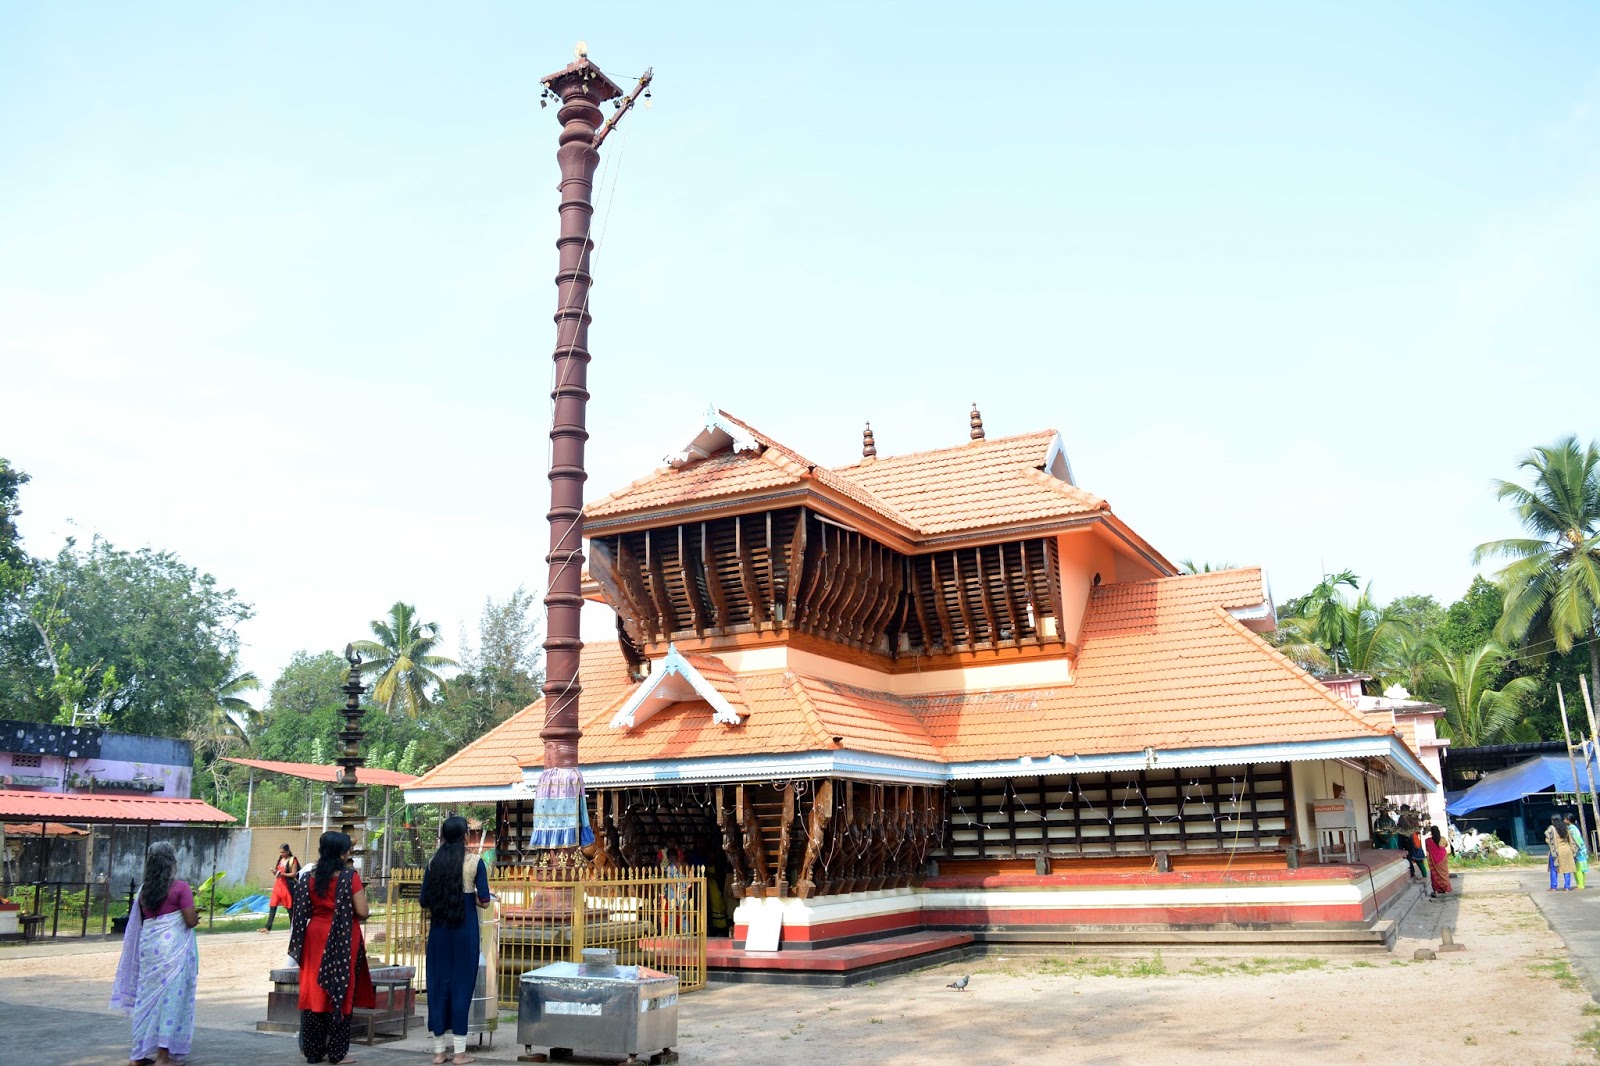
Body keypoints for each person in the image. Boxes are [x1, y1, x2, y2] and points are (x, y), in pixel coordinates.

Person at [109, 841, 200, 1066]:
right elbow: (189, 921)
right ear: (172, 863)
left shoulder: (143, 891)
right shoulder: (180, 888)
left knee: (146, 1000)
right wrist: (195, 915)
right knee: (170, 1000)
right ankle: (163, 1057)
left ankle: (137, 1056)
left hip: (149, 951)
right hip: (173, 955)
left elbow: (143, 922)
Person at [288, 831, 374, 1065]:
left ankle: (314, 1051)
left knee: (315, 991)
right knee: (341, 989)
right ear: (342, 853)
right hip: (344, 936)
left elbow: (301, 912)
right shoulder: (349, 877)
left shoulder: (309, 877)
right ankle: (337, 1053)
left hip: (315, 936)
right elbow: (363, 911)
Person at [422, 815, 492, 1066]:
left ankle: (439, 1052)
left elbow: (424, 900)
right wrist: (470, 896)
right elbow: (484, 900)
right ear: (464, 836)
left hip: (439, 933)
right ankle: (460, 1053)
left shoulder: (433, 862)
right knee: (462, 987)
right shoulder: (475, 862)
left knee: (438, 985)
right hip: (465, 932)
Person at [262, 843, 301, 933]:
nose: (281, 854)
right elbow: (278, 873)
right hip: (278, 885)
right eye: (280, 852)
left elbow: (294, 874)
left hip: (287, 885)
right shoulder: (280, 859)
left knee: (289, 906)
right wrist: (275, 872)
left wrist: (282, 874)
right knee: (273, 905)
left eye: (283, 852)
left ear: (287, 851)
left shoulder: (292, 860)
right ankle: (268, 927)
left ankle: (293, 927)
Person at [1425, 826, 1451, 898]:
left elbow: (1427, 849)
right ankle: (1445, 889)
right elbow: (1446, 845)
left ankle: (1436, 889)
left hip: (1434, 860)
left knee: (1435, 874)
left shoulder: (1428, 841)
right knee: (1444, 873)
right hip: (1443, 858)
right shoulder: (1442, 839)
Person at [1566, 816, 1589, 890]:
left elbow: (1576, 840)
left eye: (1565, 819)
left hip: (1578, 851)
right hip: (1581, 850)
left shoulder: (1571, 829)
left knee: (1578, 868)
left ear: (1568, 820)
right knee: (1580, 868)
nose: (1564, 820)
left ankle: (1580, 885)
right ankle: (1581, 884)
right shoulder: (1575, 827)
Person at [1555, 826, 1579, 891]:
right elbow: (1571, 840)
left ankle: (1556, 886)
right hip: (1567, 848)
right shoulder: (1566, 830)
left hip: (1559, 849)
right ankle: (1567, 886)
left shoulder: (1555, 831)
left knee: (1562, 868)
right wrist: (1573, 849)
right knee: (1567, 868)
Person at [1547, 817, 1565, 891]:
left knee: (1553, 868)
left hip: (1554, 850)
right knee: (1566, 869)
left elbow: (1547, 838)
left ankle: (1553, 887)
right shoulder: (1565, 828)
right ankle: (1567, 886)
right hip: (1564, 849)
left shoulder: (1551, 828)